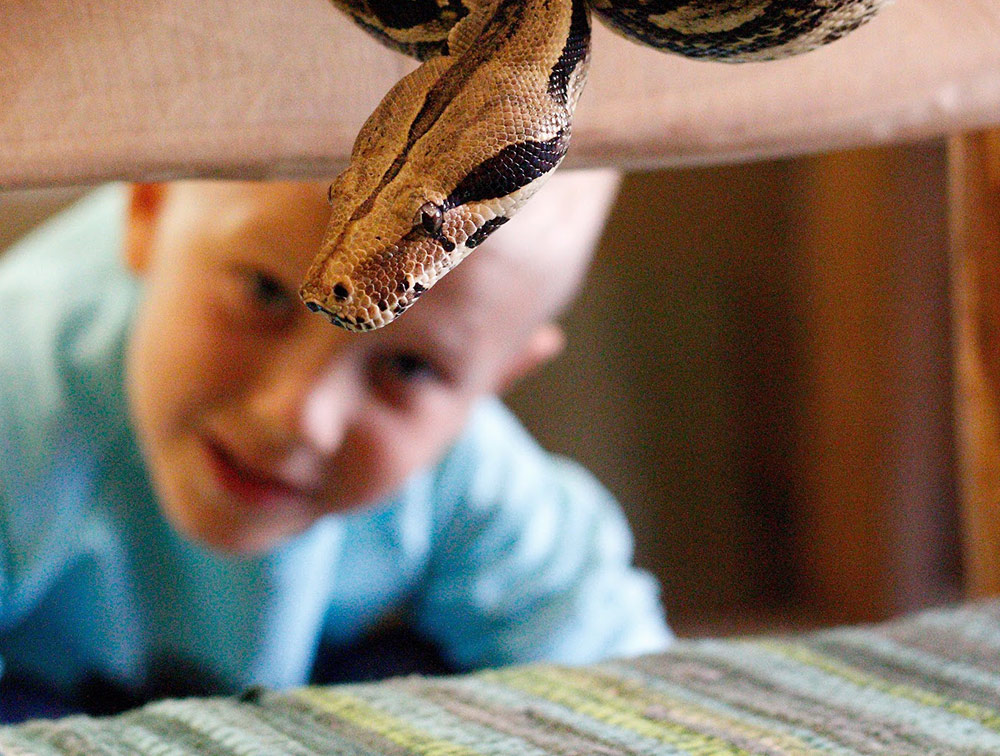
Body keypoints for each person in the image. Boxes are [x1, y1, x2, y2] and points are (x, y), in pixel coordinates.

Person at [0, 174, 671, 723]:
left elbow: (621, 691)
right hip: (35, 680)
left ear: (495, 380)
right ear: (148, 208)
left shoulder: (467, 467)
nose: (301, 418)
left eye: (407, 367)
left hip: (292, 687)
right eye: (265, 292)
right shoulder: (21, 393)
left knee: (419, 681)